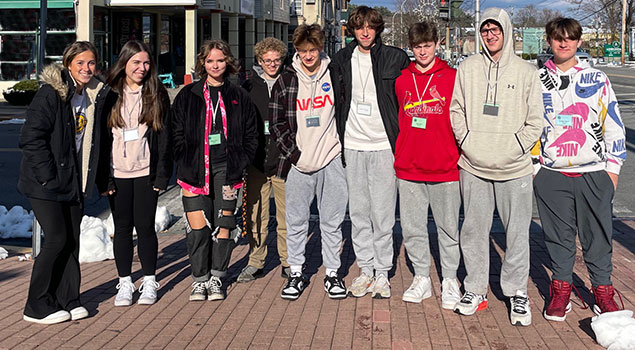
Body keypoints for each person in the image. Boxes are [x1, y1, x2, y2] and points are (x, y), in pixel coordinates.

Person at [449, 8, 543, 326]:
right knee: (474, 231)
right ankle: (476, 289)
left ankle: (517, 292)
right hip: (473, 165)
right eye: (485, 29)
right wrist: (467, 142)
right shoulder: (468, 68)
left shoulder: (527, 72)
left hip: (514, 168)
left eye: (495, 29)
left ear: (506, 30)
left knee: (517, 234)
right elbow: (456, 110)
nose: (490, 35)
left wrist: (515, 146)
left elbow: (535, 122)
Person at [534, 17, 626, 321]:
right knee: (558, 237)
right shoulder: (535, 80)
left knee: (597, 236)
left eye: (570, 38)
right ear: (548, 41)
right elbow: (529, 127)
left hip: (594, 173)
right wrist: (536, 168)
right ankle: (560, 288)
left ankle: (602, 290)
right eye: (558, 38)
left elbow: (613, 123)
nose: (564, 43)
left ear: (578, 41)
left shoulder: (596, 78)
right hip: (552, 174)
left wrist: (611, 171)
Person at [18, 41, 110, 324]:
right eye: (80, 62)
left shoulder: (94, 95)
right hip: (45, 182)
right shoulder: (51, 94)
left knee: (71, 240)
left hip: (74, 181)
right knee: (56, 238)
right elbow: (31, 138)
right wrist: (48, 176)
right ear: (68, 64)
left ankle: (68, 298)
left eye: (91, 63)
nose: (86, 68)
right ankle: (36, 305)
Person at [329, 5, 410, 299]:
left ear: (377, 29)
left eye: (370, 27)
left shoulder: (395, 58)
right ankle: (365, 269)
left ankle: (382, 272)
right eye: (360, 27)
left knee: (384, 213)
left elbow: (407, 100)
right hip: (353, 144)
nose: (365, 32)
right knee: (360, 212)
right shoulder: (340, 59)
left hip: (383, 145)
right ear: (352, 29)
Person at [172, 39, 258, 301]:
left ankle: (218, 276)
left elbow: (251, 136)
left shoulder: (239, 96)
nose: (215, 65)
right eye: (210, 61)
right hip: (194, 172)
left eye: (220, 60)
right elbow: (175, 132)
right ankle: (199, 279)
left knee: (224, 225)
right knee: (197, 229)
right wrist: (184, 156)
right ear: (202, 64)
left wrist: (241, 161)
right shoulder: (188, 95)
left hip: (227, 171)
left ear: (227, 62)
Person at [270, 24, 348, 300]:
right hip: (299, 164)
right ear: (297, 51)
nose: (308, 55)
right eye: (303, 51)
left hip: (331, 158)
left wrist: (340, 148)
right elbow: (277, 122)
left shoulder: (335, 73)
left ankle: (332, 273)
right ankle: (296, 272)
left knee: (332, 220)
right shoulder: (286, 79)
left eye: (313, 49)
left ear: (320, 48)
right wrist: (294, 154)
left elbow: (345, 108)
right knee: (296, 221)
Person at [97, 40, 172, 306]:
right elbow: (101, 140)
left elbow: (164, 138)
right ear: (124, 63)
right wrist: (103, 178)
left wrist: (161, 176)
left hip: (145, 173)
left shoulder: (156, 93)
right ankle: (125, 283)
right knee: (123, 228)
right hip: (117, 173)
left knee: (146, 228)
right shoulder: (109, 94)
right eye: (136, 62)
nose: (142, 68)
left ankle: (150, 281)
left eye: (146, 63)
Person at [393, 22, 461, 308]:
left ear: (436, 45)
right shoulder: (401, 81)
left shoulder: (453, 77)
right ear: (412, 48)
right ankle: (421, 277)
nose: (423, 51)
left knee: (448, 229)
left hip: (445, 166)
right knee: (412, 229)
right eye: (418, 47)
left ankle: (449, 280)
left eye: (428, 45)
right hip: (409, 166)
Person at [238, 37, 290, 282]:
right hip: (256, 160)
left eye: (276, 60)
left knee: (286, 215)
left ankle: (288, 261)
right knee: (256, 215)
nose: (272, 64)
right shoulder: (247, 86)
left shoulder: (289, 80)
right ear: (259, 60)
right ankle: (255, 261)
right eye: (267, 60)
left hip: (283, 160)